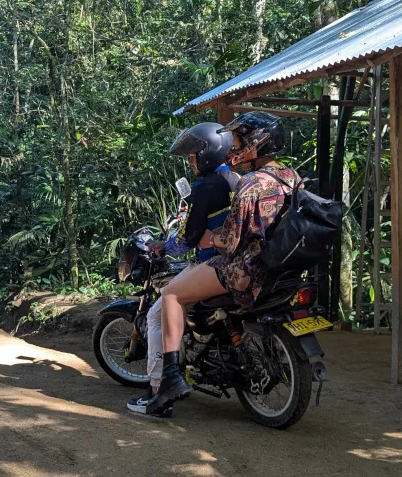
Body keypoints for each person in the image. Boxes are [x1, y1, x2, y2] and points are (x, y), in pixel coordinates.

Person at [146, 111, 298, 416]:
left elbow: (230, 240)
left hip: (245, 268)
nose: (233, 148)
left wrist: (210, 240)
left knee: (171, 295)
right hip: (278, 264)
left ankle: (171, 378)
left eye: (239, 142)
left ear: (255, 144)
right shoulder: (290, 177)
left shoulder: (252, 183)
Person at [127, 122, 239, 416]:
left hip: (211, 263)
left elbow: (187, 241)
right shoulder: (237, 179)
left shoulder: (205, 187)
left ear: (208, 153)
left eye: (194, 155)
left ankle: (159, 387)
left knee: (157, 314)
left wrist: (163, 246)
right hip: (239, 260)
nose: (191, 161)